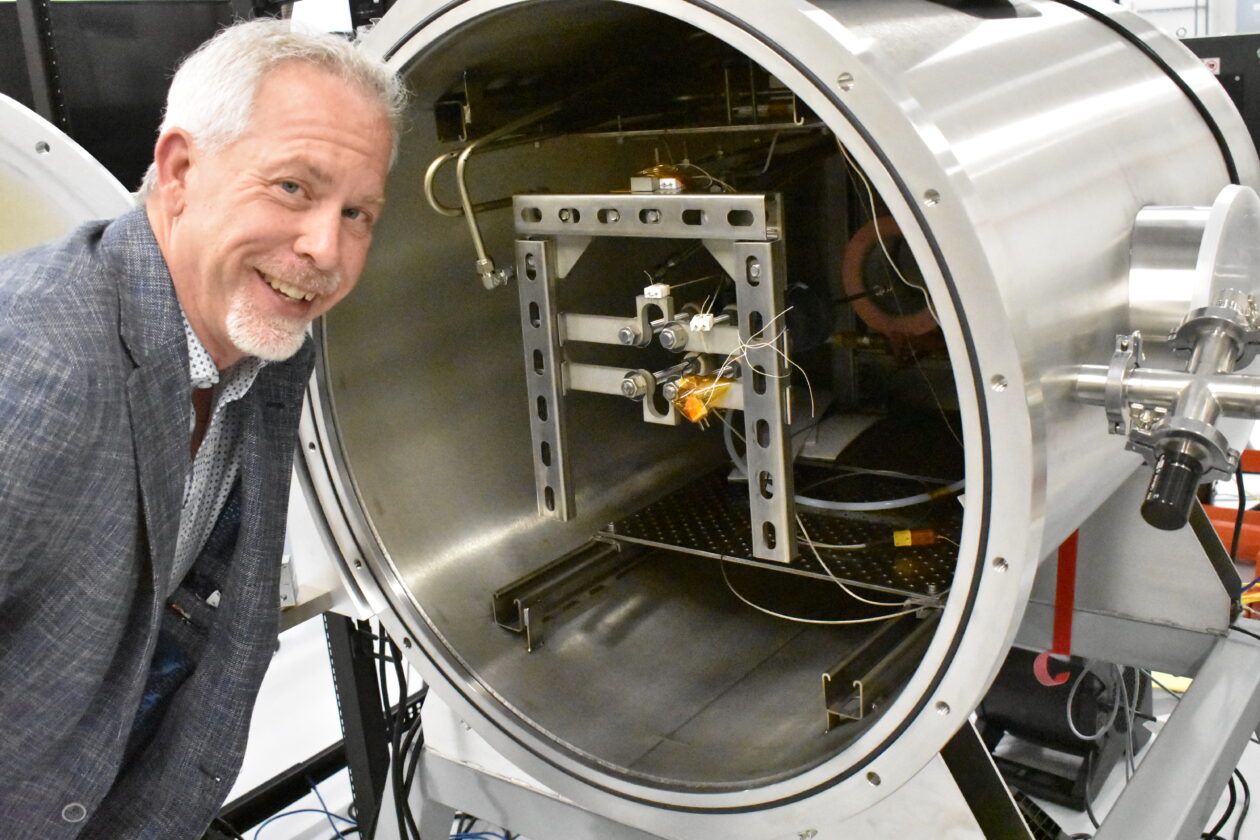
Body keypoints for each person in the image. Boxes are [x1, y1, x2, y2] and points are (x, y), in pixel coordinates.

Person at [0, 19, 403, 839]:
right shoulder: (43, 366)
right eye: (293, 187)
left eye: (358, 212)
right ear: (180, 169)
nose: (326, 248)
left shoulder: (266, 348)